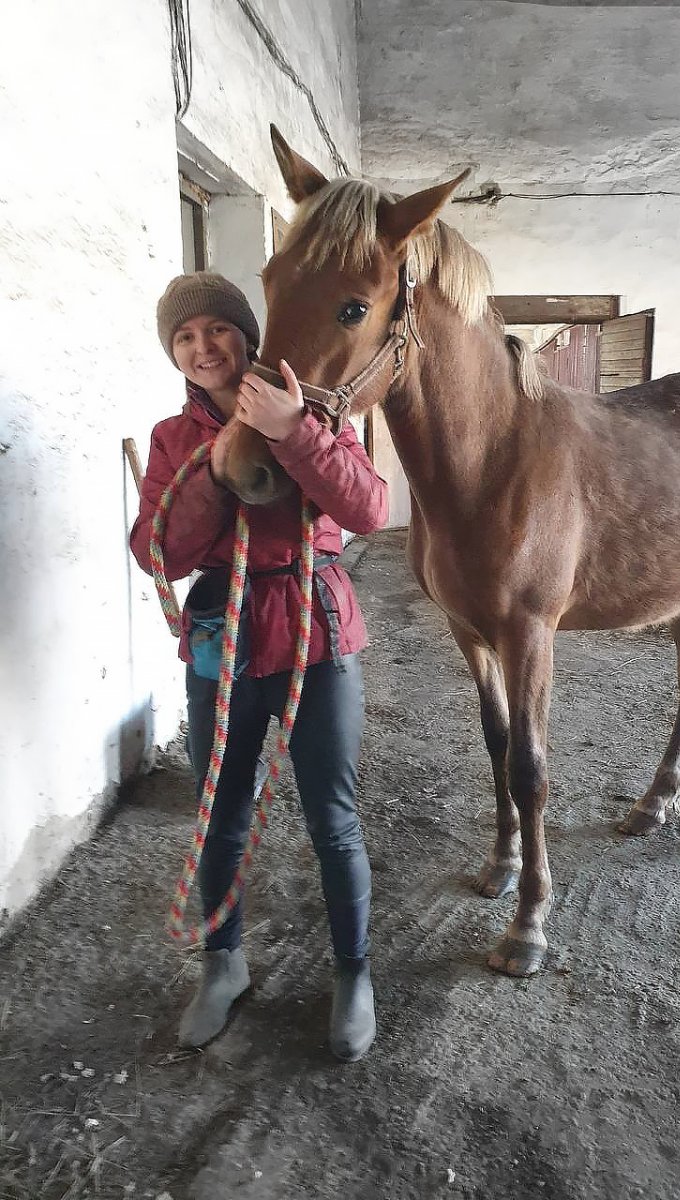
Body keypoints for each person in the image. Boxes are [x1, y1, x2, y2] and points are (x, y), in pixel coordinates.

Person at [130, 272, 388, 1060]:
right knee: (222, 812)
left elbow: (369, 510)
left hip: (315, 628)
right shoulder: (174, 437)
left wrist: (293, 431)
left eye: (217, 329)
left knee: (331, 818)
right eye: (185, 337)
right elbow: (156, 550)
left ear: (248, 336)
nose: (203, 346)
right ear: (174, 353)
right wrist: (215, 465)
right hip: (225, 639)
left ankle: (354, 974)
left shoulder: (317, 408)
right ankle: (224, 963)